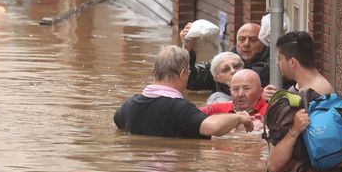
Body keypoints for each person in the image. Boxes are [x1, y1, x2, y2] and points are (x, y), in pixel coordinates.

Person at [266, 31, 342, 172]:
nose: (277, 63)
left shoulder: (319, 94)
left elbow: (274, 166)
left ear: (292, 62)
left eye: (279, 58)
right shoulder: (300, 89)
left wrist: (293, 130)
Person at [114, 45, 255, 139]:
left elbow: (118, 122)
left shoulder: (129, 105)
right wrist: (239, 118)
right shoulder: (180, 108)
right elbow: (214, 128)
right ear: (183, 74)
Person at [180, 22, 273, 92]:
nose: (246, 44)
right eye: (242, 39)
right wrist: (187, 49)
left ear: (263, 42)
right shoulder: (224, 61)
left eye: (253, 40)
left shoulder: (274, 65)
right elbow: (190, 80)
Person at [200, 69, 267, 130]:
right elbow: (192, 117)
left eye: (246, 89)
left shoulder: (271, 112)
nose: (240, 94)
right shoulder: (217, 109)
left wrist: (266, 128)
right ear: (230, 92)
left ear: (260, 92)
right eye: (235, 89)